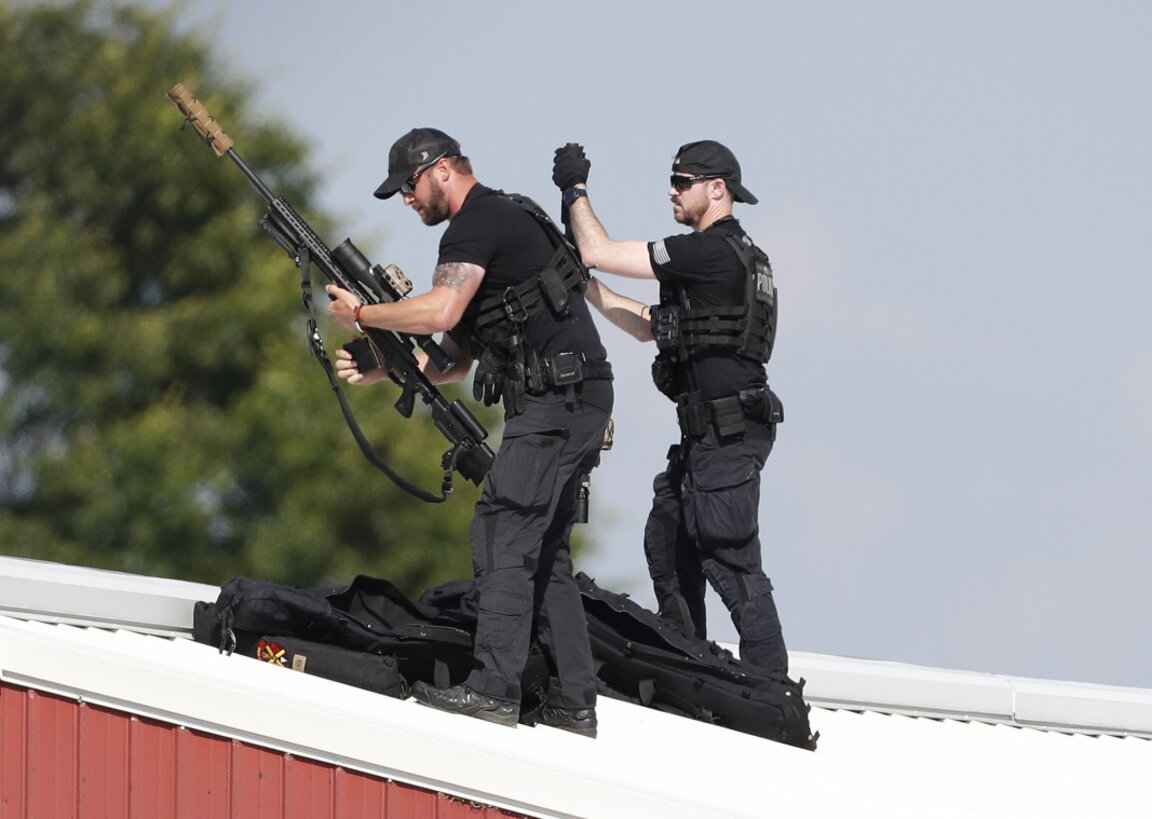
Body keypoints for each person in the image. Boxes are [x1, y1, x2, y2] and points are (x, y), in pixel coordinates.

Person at [327, 128, 613, 736]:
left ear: (440, 172)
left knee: (502, 530)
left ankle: (492, 690)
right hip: (569, 397)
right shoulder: (499, 223)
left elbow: (440, 311)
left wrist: (362, 313)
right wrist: (384, 365)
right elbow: (452, 358)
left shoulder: (477, 222)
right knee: (544, 549)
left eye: (408, 186)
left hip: (556, 401)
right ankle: (572, 699)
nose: (407, 200)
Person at [551, 140, 788, 676]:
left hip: (727, 434)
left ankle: (771, 689)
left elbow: (597, 248)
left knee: (728, 558)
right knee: (669, 539)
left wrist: (575, 191)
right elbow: (645, 324)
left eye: (682, 182)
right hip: (712, 436)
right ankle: (692, 667)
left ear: (717, 189)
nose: (672, 190)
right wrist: (584, 285)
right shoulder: (726, 260)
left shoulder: (708, 252)